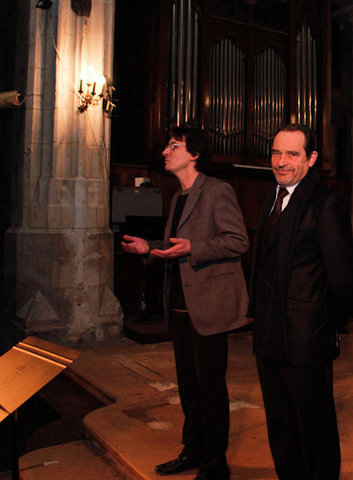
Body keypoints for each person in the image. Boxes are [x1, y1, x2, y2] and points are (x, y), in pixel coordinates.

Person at [121, 126, 249, 480]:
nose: (165, 151)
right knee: (188, 387)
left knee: (210, 389)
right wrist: (149, 247)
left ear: (193, 154)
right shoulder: (178, 197)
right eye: (167, 145)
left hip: (208, 307)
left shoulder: (217, 191)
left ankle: (215, 464)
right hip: (178, 306)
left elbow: (238, 241)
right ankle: (193, 451)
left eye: (172, 145)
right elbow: (173, 243)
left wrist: (196, 248)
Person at [248, 124, 353, 480]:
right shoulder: (272, 198)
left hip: (306, 340)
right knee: (280, 427)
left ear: (311, 159)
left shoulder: (326, 203)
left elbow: (343, 280)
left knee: (315, 430)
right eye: (276, 153)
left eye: (292, 154)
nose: (281, 162)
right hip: (269, 335)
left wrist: (326, 327)